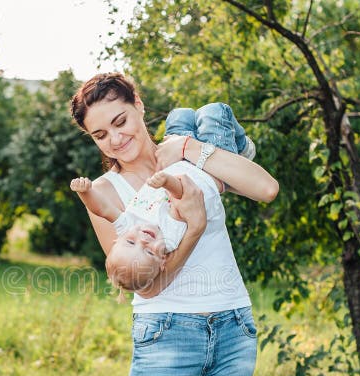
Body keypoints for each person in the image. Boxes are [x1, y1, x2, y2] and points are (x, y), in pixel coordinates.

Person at [70, 72, 279, 376]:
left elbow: (266, 189)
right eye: (100, 135)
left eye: (121, 121)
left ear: (140, 106)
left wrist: (188, 149)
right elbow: (142, 283)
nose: (116, 139)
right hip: (166, 340)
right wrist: (195, 230)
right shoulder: (109, 194)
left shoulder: (190, 158)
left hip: (234, 336)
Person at [69, 101, 261, 292]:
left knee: (179, 115)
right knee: (216, 111)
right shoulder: (167, 237)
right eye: (148, 251)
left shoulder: (130, 226)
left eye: (120, 122)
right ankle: (242, 147)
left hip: (184, 159)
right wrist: (166, 181)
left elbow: (103, 209)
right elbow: (180, 192)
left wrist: (86, 192)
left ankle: (234, 150)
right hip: (206, 173)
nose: (142, 241)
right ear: (162, 259)